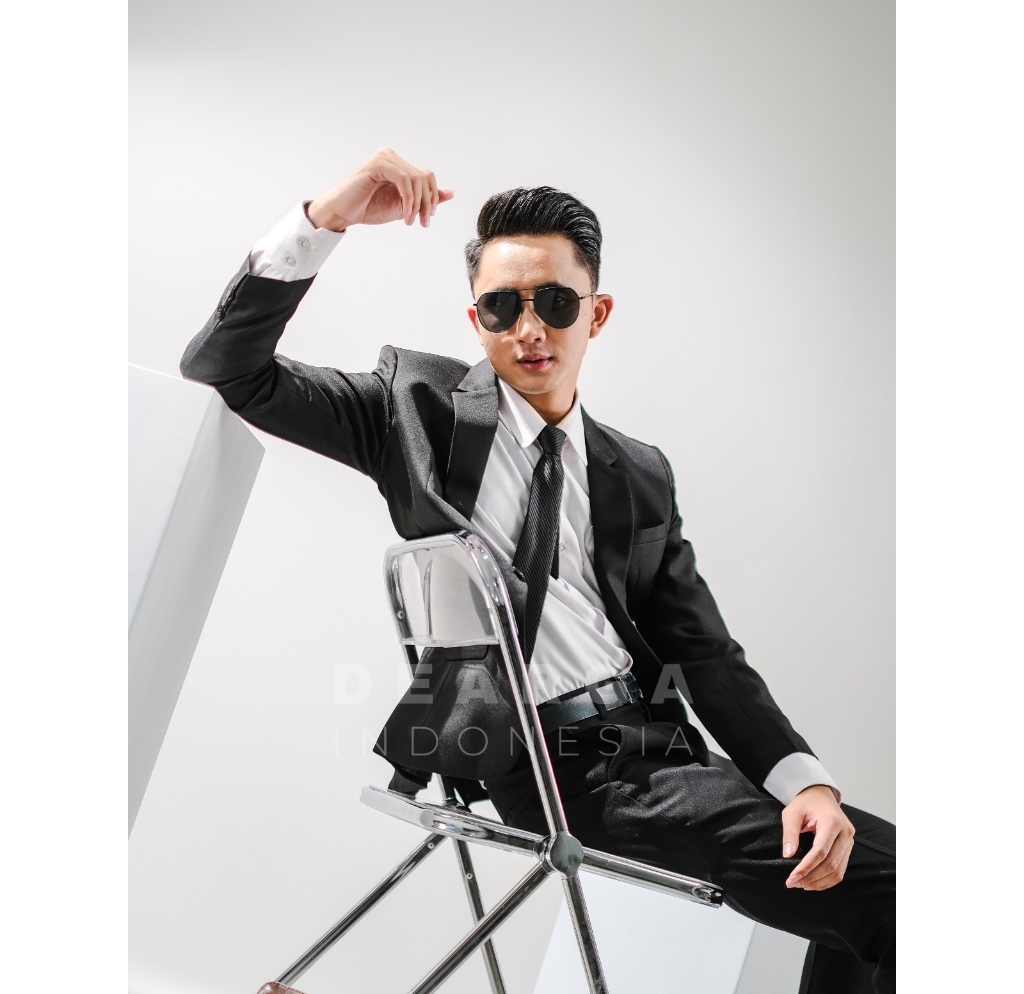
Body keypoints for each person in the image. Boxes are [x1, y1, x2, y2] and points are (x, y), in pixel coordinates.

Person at [181, 148, 895, 993]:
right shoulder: (412, 411)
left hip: (655, 748)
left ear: (597, 313)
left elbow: (704, 653)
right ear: (475, 319)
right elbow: (227, 368)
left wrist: (803, 782)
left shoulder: (638, 472)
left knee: (867, 871)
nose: (529, 328)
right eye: (503, 305)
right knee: (896, 896)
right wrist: (324, 219)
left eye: (556, 302)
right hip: (544, 762)